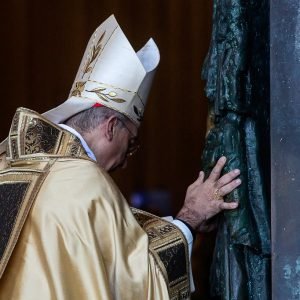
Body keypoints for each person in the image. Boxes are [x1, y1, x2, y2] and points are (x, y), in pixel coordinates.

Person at [0, 15, 241, 300]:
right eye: (131, 143)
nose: (127, 161)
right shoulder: (86, 183)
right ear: (112, 127)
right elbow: (137, 283)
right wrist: (190, 217)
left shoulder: (10, 163)